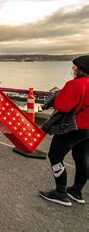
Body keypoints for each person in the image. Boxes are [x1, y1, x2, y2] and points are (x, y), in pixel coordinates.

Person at [39, 55, 89, 206]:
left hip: (74, 127)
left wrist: (57, 97)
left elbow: (62, 106)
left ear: (82, 69)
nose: (73, 69)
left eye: (75, 66)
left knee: (55, 155)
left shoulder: (76, 84)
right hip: (87, 129)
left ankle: (60, 192)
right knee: (82, 157)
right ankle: (76, 191)